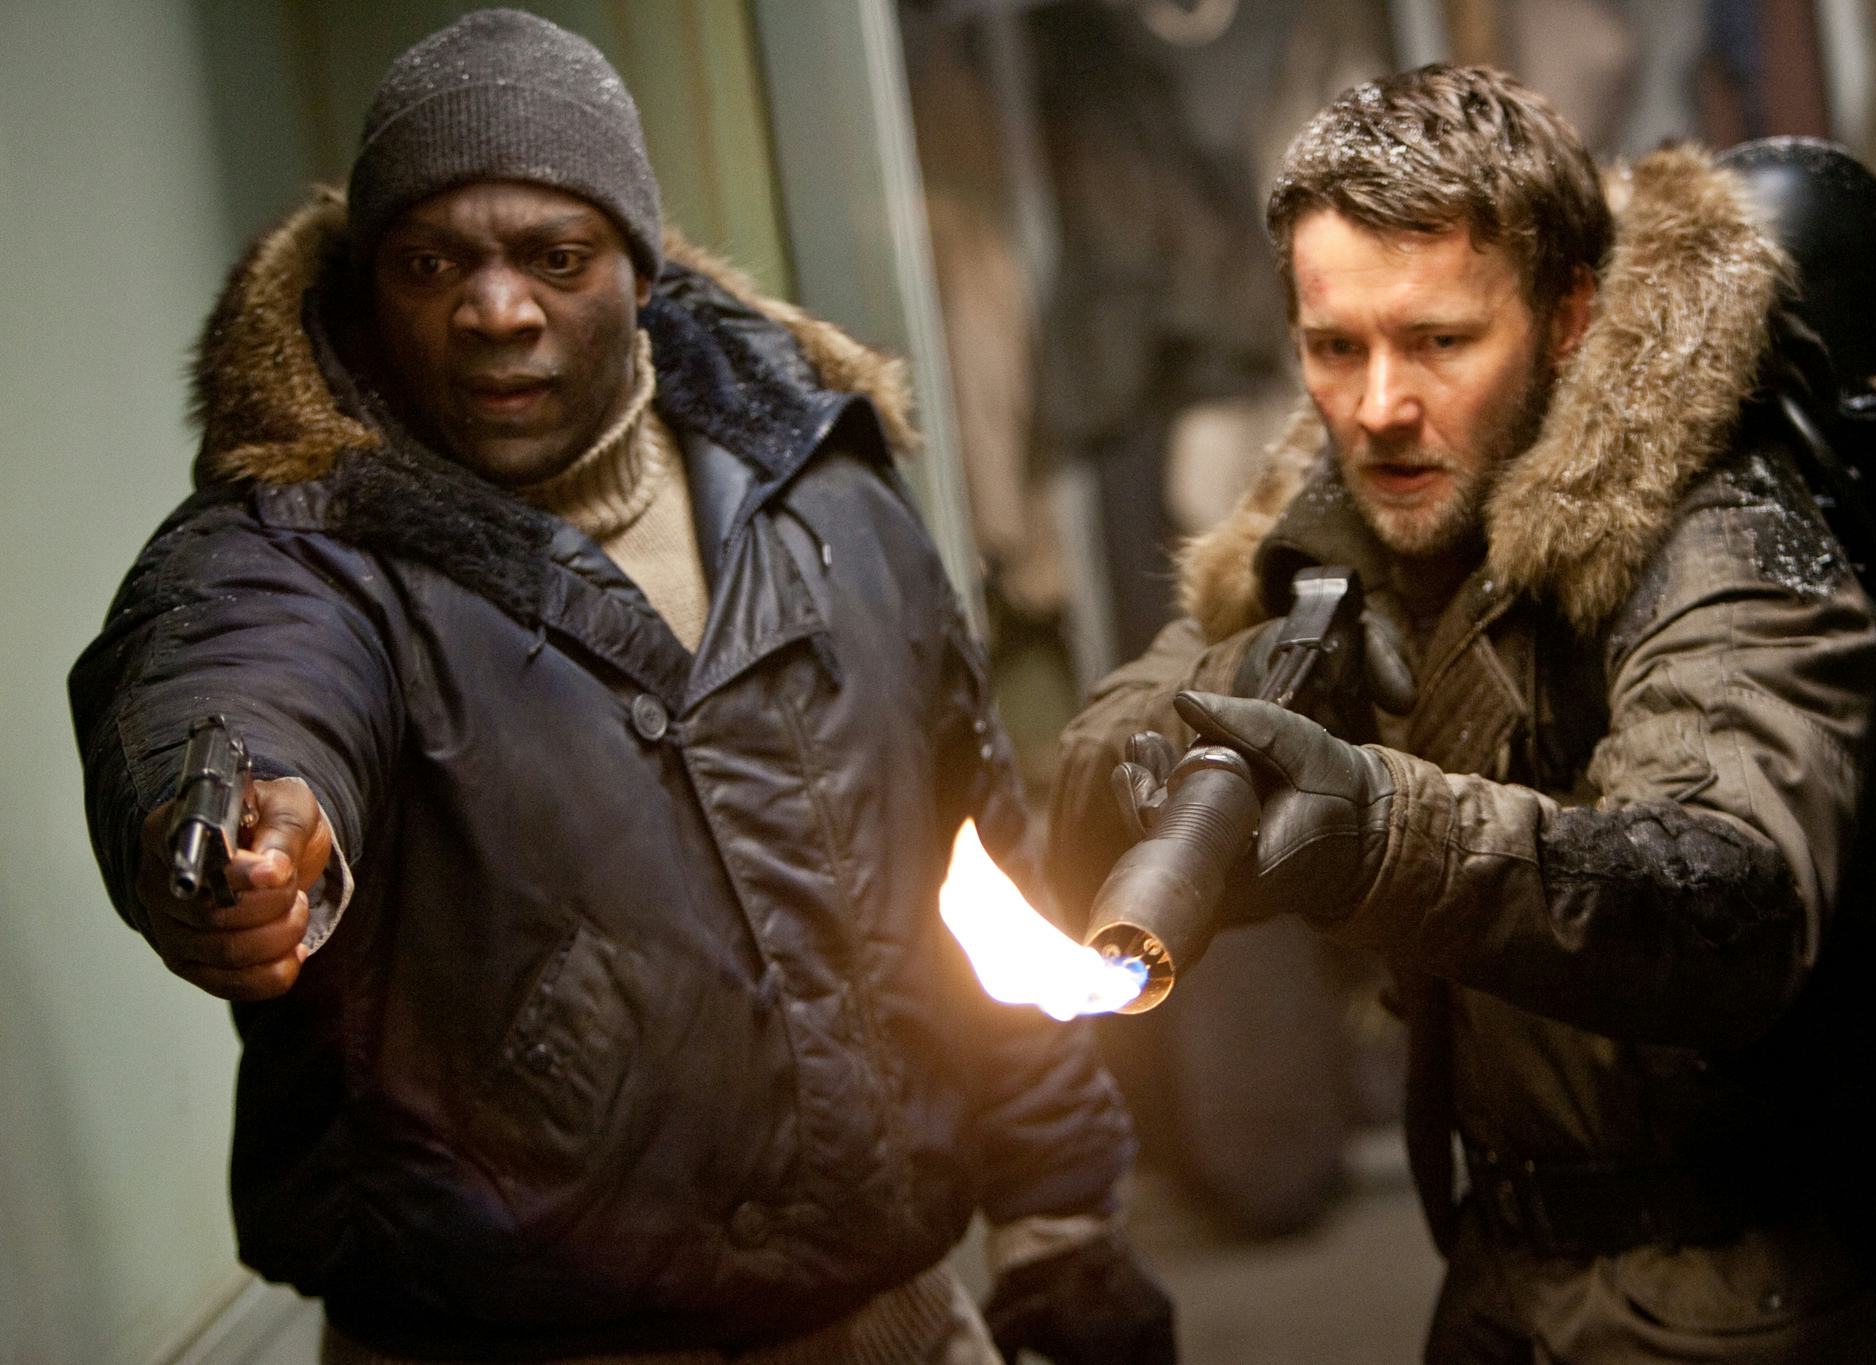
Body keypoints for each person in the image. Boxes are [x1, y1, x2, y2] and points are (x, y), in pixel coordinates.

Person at [69, 11, 1174, 1364]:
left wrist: (1060, 1210)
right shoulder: (301, 542)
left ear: (639, 270)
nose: (496, 310)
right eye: (432, 263)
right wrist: (239, 808)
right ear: (369, 286)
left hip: (883, 1318)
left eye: (554, 256)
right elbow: (233, 668)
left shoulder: (821, 486)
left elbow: (974, 854)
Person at [1050, 63, 1876, 1362]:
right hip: (1511, 1284)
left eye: (1440, 341)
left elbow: (1727, 897)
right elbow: (1093, 776)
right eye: (1335, 347)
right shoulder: (1353, 526)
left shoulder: (1717, 533)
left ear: (1568, 317)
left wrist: (1387, 836)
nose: (1378, 405)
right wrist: (1234, 723)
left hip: (1781, 1297)